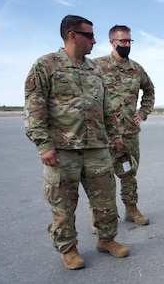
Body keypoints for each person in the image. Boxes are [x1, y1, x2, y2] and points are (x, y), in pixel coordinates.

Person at [24, 15, 129, 270]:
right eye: (89, 36)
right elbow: (34, 107)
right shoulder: (46, 65)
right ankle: (68, 249)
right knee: (63, 205)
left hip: (96, 148)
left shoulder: (94, 69)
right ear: (73, 36)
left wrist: (115, 136)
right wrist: (44, 145)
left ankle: (107, 240)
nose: (94, 41)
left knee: (105, 200)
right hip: (62, 151)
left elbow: (107, 108)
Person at [94, 25, 155, 227]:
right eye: (123, 41)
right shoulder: (97, 66)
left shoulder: (137, 69)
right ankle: (100, 219)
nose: (127, 45)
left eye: (129, 41)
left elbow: (149, 91)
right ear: (112, 42)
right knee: (101, 178)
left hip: (129, 132)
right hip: (103, 134)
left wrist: (143, 113)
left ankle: (131, 209)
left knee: (129, 173)